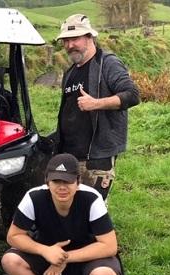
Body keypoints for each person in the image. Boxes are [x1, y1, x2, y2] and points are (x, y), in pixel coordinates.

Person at [1, 153, 127, 275]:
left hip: (86, 254)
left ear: (78, 182)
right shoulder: (33, 197)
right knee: (9, 261)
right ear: (47, 181)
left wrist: (63, 258)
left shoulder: (92, 198)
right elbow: (14, 236)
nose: (62, 187)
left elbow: (109, 245)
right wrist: (45, 251)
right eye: (56, 181)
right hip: (46, 250)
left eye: (67, 181)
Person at [54, 14, 140, 199]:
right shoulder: (70, 73)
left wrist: (97, 103)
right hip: (70, 155)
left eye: (74, 39)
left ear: (89, 37)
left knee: (94, 212)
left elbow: (132, 95)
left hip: (97, 157)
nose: (69, 45)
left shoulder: (107, 63)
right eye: (65, 41)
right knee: (71, 210)